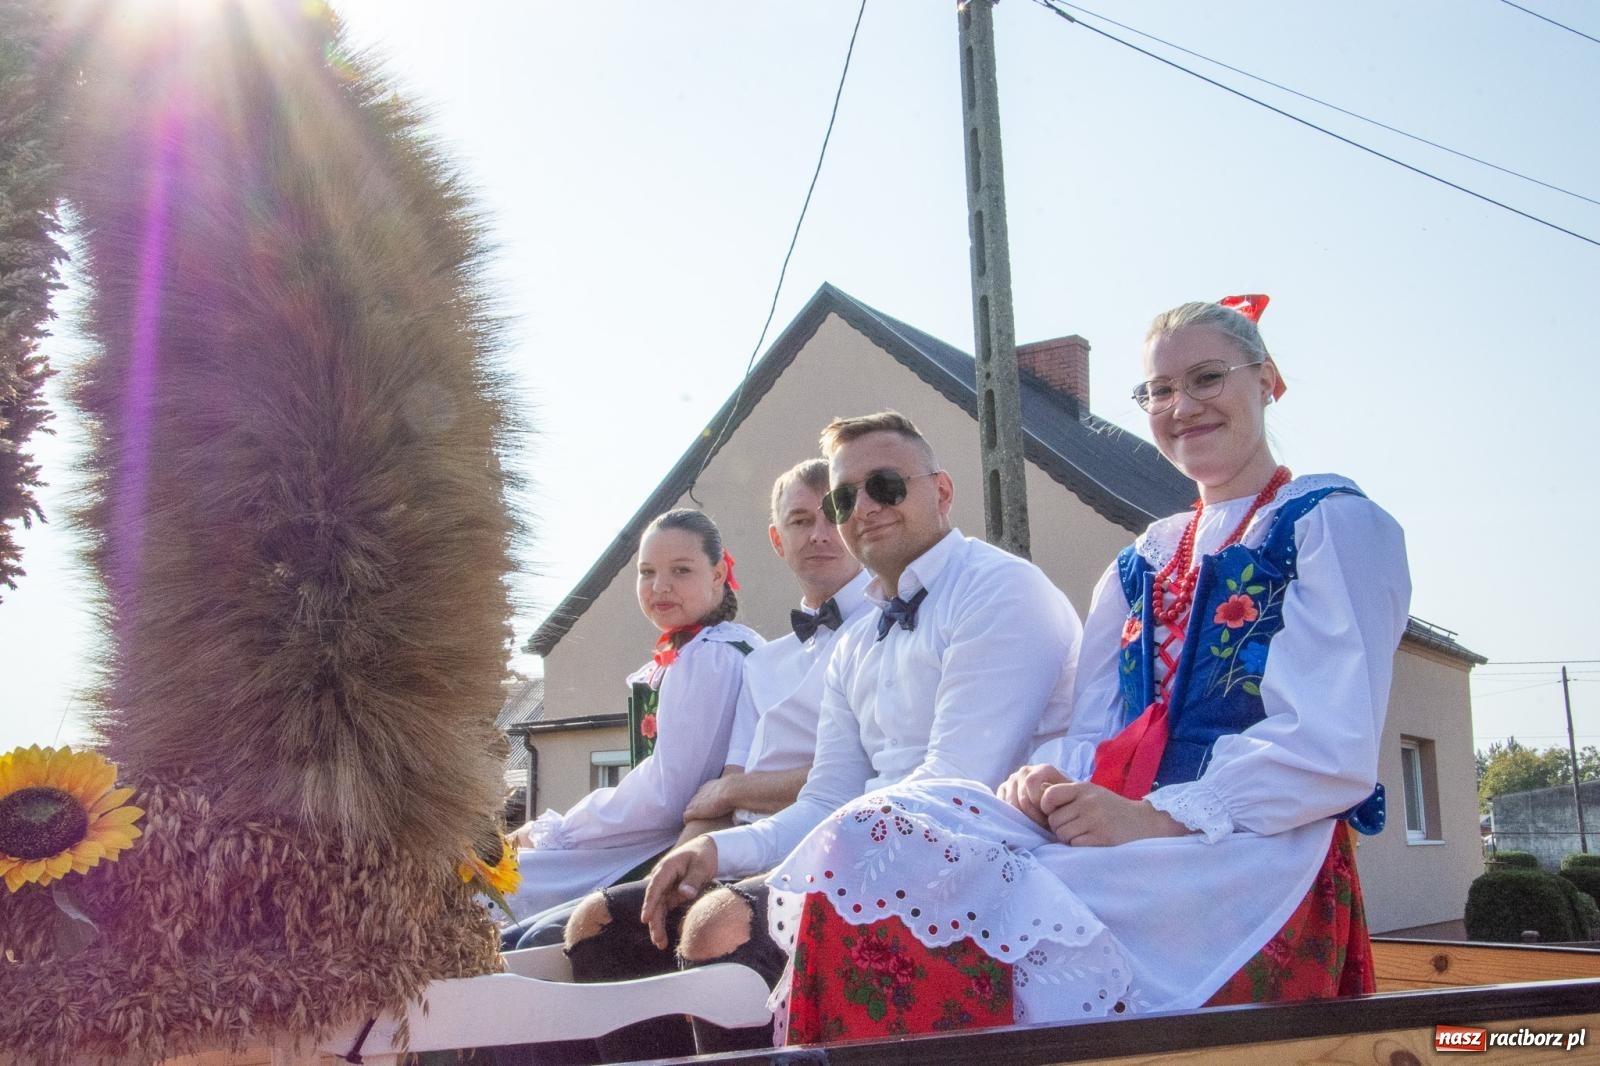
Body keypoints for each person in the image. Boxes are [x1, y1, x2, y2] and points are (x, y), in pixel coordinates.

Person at [764, 296, 1412, 1043]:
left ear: (1268, 381)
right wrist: (1050, 780)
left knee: (958, 904)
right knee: (874, 834)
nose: (1183, 406)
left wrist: (1156, 818)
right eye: (1160, 391)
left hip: (1251, 855)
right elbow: (1089, 727)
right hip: (1126, 831)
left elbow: (1330, 750)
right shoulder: (1142, 559)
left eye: (1206, 378)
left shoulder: (1333, 525)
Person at [626, 411, 1083, 1054]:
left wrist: (777, 861)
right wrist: (716, 853)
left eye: (886, 485)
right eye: (845, 497)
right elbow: (824, 798)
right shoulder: (858, 641)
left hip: (985, 858)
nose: (863, 507)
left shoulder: (1000, 589)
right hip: (872, 844)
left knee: (716, 926)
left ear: (942, 492)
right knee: (602, 927)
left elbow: (956, 783)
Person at [551, 458, 873, 1062]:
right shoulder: (766, 661)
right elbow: (719, 790)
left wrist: (731, 800)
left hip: (818, 847)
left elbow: (847, 780)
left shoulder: (883, 630)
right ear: (777, 540)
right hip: (736, 848)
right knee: (592, 924)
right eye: (799, 520)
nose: (819, 534)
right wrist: (674, 870)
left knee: (707, 928)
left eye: (831, 515)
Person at [498, 508, 761, 944]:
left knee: (495, 891)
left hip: (671, 845)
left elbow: (666, 794)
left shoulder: (709, 657)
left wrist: (557, 830)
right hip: (671, 836)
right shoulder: (717, 647)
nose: (660, 586)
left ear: (718, 575)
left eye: (681, 570)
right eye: (647, 571)